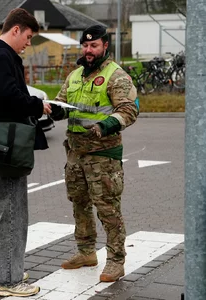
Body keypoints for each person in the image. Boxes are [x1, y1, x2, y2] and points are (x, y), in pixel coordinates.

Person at [50, 24, 139, 282]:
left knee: (108, 209)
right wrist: (56, 110)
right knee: (79, 205)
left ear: (105, 46)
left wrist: (106, 125)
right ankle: (86, 252)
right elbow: (65, 103)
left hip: (103, 157)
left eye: (94, 45)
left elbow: (128, 110)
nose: (88, 50)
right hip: (76, 154)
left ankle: (116, 261)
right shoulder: (75, 75)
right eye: (85, 45)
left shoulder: (116, 76)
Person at [0, 8, 52, 297]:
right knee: (12, 213)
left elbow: (2, 96)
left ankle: (2, 270)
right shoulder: (1, 57)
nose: (28, 43)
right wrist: (38, 105)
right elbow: (10, 98)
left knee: (0, 210)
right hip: (8, 147)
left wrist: (32, 102)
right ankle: (9, 280)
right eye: (28, 36)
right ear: (16, 30)